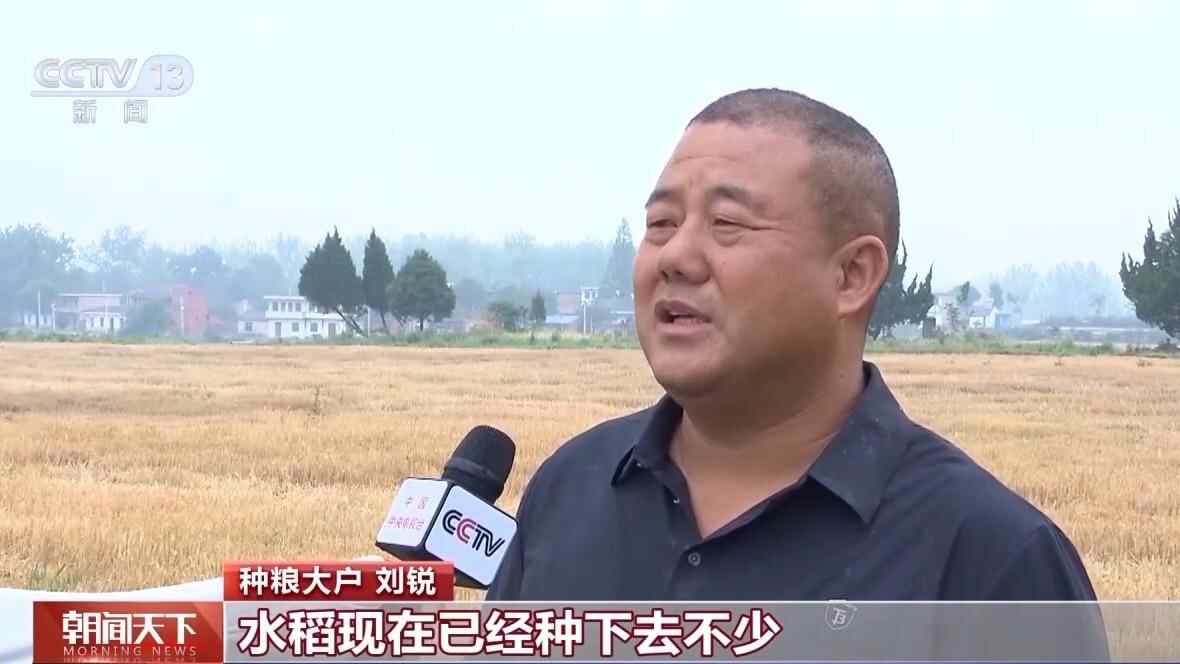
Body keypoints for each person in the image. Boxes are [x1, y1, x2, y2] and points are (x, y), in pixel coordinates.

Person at [486, 88, 1099, 604]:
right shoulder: (570, 488)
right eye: (661, 224)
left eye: (727, 224)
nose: (675, 256)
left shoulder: (991, 561)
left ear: (851, 275)